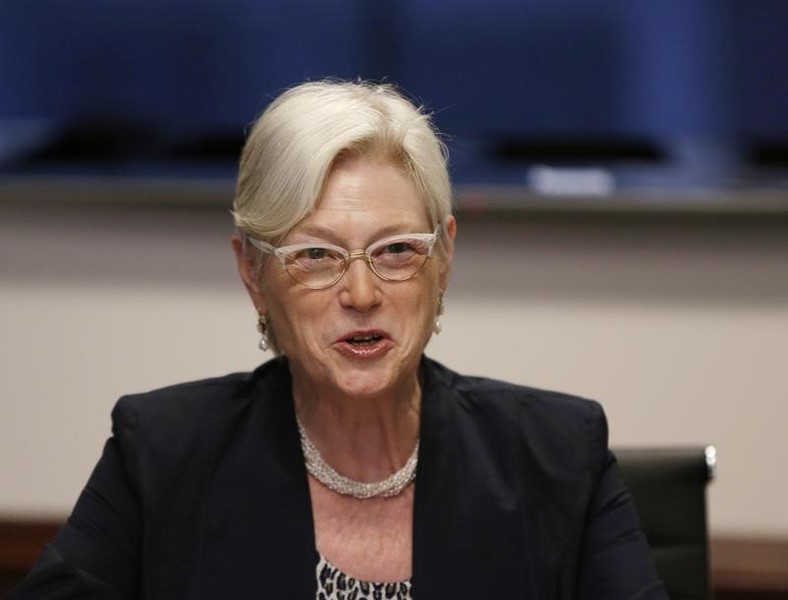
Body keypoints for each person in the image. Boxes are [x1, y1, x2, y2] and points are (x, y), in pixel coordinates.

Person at [12, 80, 667, 599]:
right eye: (318, 255)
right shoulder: (163, 454)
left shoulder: (556, 455)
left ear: (444, 259)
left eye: (397, 250)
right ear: (252, 272)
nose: (361, 294)